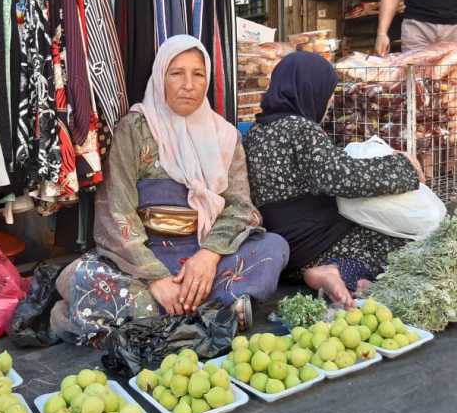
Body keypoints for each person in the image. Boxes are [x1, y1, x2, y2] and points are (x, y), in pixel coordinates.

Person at [51, 35, 289, 344]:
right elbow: (116, 209)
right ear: (160, 76)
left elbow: (240, 207)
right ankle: (216, 311)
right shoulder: (135, 128)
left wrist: (208, 256)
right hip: (144, 256)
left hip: (203, 259)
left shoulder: (226, 136)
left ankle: (156, 315)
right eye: (177, 73)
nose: (188, 84)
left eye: (198, 74)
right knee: (74, 278)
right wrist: (156, 278)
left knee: (274, 247)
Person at [243, 52, 423, 307]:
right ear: (309, 91)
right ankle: (337, 271)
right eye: (327, 96)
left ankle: (334, 274)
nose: (328, 105)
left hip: (287, 253)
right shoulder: (301, 128)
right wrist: (404, 168)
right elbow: (342, 177)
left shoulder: (255, 132)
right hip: (318, 243)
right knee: (404, 243)